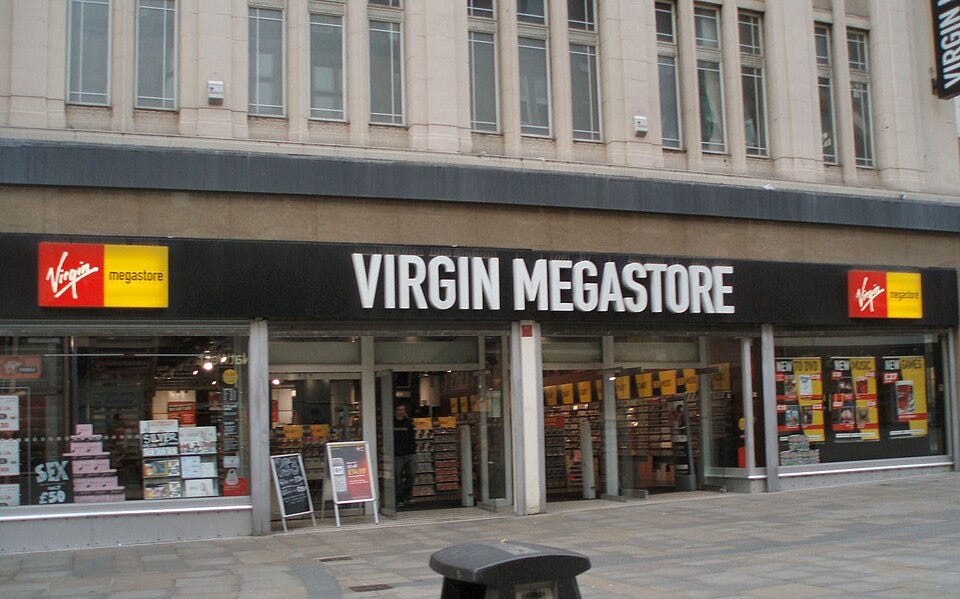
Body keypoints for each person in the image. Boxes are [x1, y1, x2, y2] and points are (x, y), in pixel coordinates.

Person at [393, 403, 417, 507]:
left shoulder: (409, 422)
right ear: (395, 410)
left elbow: (412, 437)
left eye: (403, 409)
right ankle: (400, 498)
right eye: (399, 409)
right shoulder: (392, 422)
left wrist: (414, 450)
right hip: (397, 454)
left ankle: (408, 496)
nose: (401, 411)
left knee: (411, 475)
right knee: (397, 478)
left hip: (410, 453)